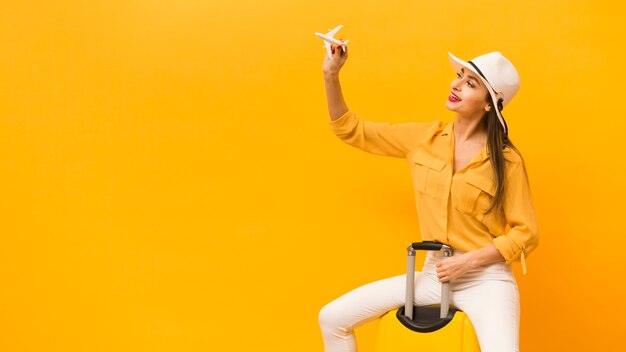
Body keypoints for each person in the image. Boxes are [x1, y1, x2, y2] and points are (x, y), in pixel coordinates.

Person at [318, 41, 539, 352]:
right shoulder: (424, 138)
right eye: (460, 75)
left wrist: (469, 262)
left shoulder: (506, 160)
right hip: (434, 275)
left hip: (486, 280)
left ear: (489, 103)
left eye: (470, 83)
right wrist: (331, 74)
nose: (457, 84)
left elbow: (525, 235)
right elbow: (350, 129)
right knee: (332, 318)